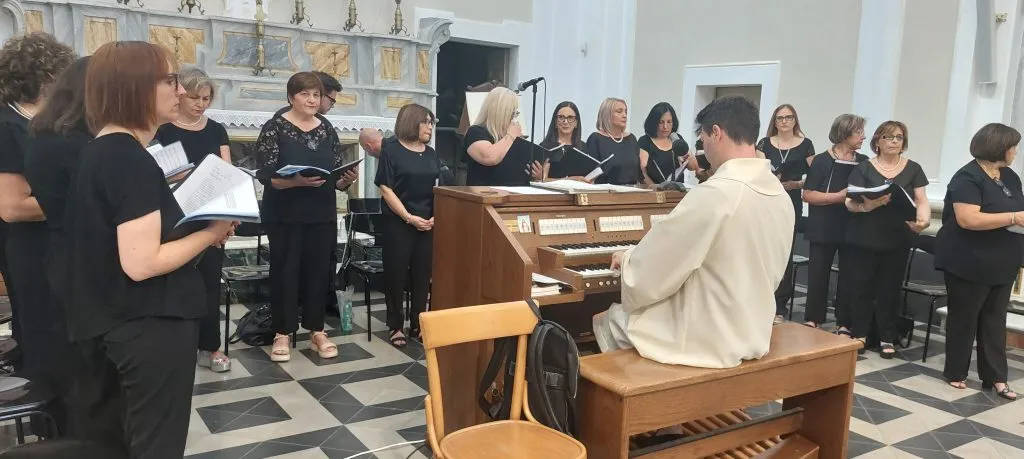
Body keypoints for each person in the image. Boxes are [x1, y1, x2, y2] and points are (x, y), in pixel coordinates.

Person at [66, 41, 236, 458]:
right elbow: (142, 263)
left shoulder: (102, 150)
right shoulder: (129, 159)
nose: (180, 91)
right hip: (148, 325)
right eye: (170, 80)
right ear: (135, 87)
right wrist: (212, 231)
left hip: (117, 320)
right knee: (157, 445)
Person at [592, 96, 794, 368]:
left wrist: (627, 259)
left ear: (716, 133)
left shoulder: (718, 193)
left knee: (607, 321)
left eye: (703, 139)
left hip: (706, 337)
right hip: (754, 328)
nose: (703, 147)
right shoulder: (779, 194)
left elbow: (657, 265)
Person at [0, 32, 76, 432]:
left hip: (55, 242)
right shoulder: (7, 125)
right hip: (29, 247)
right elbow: (12, 206)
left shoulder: (46, 123)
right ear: (45, 77)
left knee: (63, 331)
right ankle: (51, 425)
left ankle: (68, 416)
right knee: (43, 331)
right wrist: (81, 202)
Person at [255, 72, 355, 362]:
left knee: (318, 272)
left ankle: (316, 330)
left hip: (320, 212)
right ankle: (282, 333)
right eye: (305, 94)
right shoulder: (275, 127)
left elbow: (334, 172)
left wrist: (345, 179)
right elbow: (266, 175)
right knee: (285, 272)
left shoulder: (327, 128)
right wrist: (295, 182)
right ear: (291, 97)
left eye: (316, 95)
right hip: (285, 213)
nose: (312, 100)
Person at [154, 67, 234, 373]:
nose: (201, 104)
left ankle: (210, 346)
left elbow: (227, 173)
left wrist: (228, 217)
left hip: (210, 215)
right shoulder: (163, 129)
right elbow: (153, 173)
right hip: (173, 216)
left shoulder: (216, 130)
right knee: (173, 283)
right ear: (179, 94)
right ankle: (174, 346)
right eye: (194, 98)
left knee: (210, 283)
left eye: (206, 98)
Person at [934, 123, 1022, 400]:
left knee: (995, 319)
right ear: (998, 148)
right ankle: (956, 371)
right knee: (964, 317)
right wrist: (1013, 218)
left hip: (1002, 258)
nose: (1015, 152)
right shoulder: (967, 177)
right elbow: (968, 219)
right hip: (968, 259)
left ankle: (996, 377)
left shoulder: (1010, 176)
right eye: (1013, 147)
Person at [844, 121, 930, 358]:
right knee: (862, 287)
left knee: (889, 289)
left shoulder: (913, 168)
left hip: (897, 237)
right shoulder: (864, 168)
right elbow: (849, 201)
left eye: (899, 137)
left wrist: (923, 221)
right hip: (864, 236)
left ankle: (887, 336)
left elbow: (921, 200)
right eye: (889, 137)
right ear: (878, 141)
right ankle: (859, 333)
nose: (894, 141)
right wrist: (867, 206)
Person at [375, 104, 439, 348]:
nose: (430, 127)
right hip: (399, 221)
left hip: (428, 222)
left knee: (422, 275)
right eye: (426, 122)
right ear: (412, 122)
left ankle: (417, 323)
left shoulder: (431, 153)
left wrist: (435, 216)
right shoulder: (391, 151)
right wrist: (408, 217)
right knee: (396, 273)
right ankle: (395, 325)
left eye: (432, 123)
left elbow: (438, 186)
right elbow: (386, 188)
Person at [801, 114, 868, 330]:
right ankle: (813, 318)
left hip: (852, 225)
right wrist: (838, 197)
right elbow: (808, 195)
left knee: (849, 275)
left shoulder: (864, 162)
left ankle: (844, 322)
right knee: (818, 274)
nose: (863, 137)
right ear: (844, 133)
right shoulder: (821, 160)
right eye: (858, 132)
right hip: (823, 224)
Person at [756, 104, 815, 320]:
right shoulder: (764, 143)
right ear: (775, 121)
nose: (784, 121)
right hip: (766, 200)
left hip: (791, 200)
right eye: (780, 118)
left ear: (795, 120)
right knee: (764, 250)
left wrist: (796, 184)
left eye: (788, 117)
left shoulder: (806, 144)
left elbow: (814, 175)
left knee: (785, 252)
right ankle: (760, 299)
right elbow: (758, 170)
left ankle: (780, 305)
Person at [464, 87, 529, 186]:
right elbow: (490, 157)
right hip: (485, 192)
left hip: (515, 191)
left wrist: (536, 173)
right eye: (512, 113)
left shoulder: (512, 136)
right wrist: (510, 136)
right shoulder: (476, 132)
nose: (514, 117)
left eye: (516, 113)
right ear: (501, 112)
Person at [586, 98, 641, 185]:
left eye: (625, 112)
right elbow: (590, 174)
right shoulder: (596, 139)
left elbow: (638, 173)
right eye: (619, 112)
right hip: (606, 190)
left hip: (632, 190)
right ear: (607, 114)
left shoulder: (631, 139)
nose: (624, 115)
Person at [638, 102, 695, 185]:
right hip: (655, 190)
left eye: (669, 122)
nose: (665, 126)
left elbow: (693, 167)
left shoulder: (677, 139)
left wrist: (686, 155)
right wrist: (656, 189)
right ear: (654, 122)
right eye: (661, 122)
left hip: (678, 190)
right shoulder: (645, 141)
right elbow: (642, 173)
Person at [534, 101, 587, 181]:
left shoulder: (583, 147)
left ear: (576, 123)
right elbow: (542, 180)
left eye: (570, 118)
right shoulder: (545, 147)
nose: (565, 122)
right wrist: (570, 180)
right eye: (561, 117)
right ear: (555, 122)